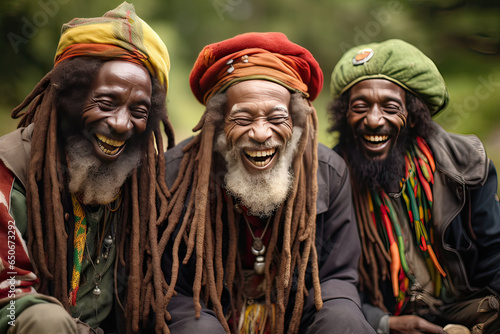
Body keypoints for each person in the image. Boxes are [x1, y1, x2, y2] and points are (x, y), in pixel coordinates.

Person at [159, 32, 375, 334]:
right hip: (208, 317)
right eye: (243, 119)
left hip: (297, 319)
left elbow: (337, 277)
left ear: (297, 121)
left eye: (276, 118)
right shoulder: (175, 175)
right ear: (219, 123)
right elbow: (173, 290)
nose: (261, 133)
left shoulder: (328, 173)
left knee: (343, 320)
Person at [0, 2, 174, 333]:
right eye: (106, 103)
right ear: (68, 96)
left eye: (138, 111)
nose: (122, 124)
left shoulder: (140, 179)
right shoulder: (8, 174)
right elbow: (9, 303)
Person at [327, 39, 500, 334]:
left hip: (465, 303)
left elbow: (494, 252)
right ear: (345, 115)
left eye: (390, 107)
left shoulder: (466, 161)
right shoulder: (330, 178)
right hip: (385, 317)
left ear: (413, 115)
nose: (373, 119)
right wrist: (383, 322)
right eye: (360, 106)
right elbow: (329, 279)